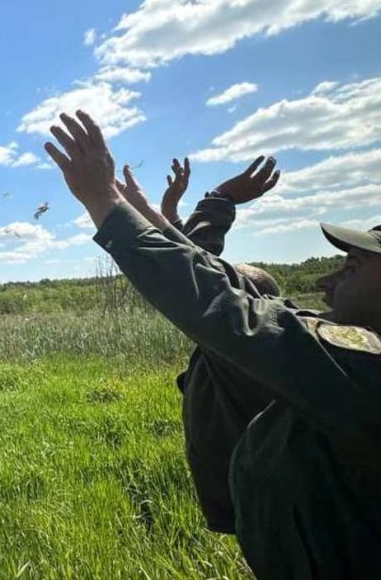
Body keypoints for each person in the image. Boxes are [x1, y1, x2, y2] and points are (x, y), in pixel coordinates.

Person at [45, 109, 381, 578]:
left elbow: (223, 304)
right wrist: (193, 205)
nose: (327, 279)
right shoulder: (361, 369)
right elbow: (218, 282)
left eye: (353, 267)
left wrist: (103, 198)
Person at [116, 157, 284, 535]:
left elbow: (190, 270)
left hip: (257, 503)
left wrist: (219, 199)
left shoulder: (240, 349)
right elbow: (193, 263)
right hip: (250, 497)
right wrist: (168, 211)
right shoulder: (265, 347)